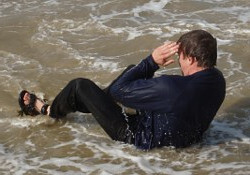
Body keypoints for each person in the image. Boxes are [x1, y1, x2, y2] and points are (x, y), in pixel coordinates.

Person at [18, 29, 226, 150]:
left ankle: (47, 111)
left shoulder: (171, 88)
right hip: (182, 135)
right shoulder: (218, 80)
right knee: (130, 72)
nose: (178, 61)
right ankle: (96, 100)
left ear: (191, 58)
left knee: (80, 86)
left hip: (137, 136)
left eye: (180, 56)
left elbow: (119, 90)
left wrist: (152, 61)